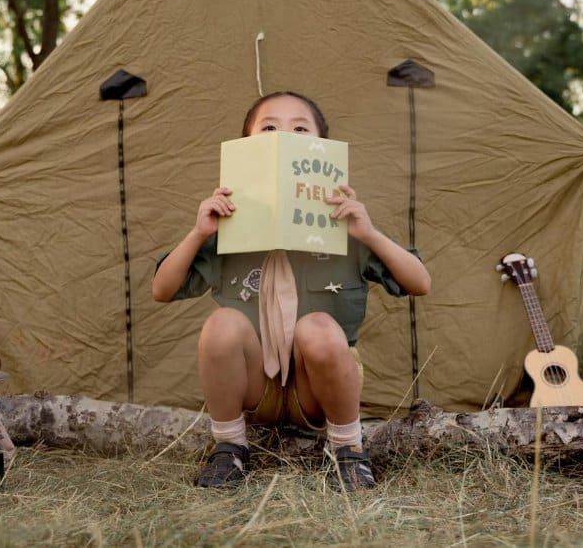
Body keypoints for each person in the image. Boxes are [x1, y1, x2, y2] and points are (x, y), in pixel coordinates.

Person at [151, 90, 431, 490]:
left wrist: (367, 232)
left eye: (300, 129)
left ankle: (348, 450)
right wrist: (199, 232)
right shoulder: (229, 226)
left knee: (317, 326)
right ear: (247, 146)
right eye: (269, 128)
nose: (284, 136)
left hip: (317, 391)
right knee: (221, 324)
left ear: (321, 148)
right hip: (254, 387)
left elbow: (419, 282)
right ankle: (229, 448)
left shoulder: (342, 225)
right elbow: (162, 290)